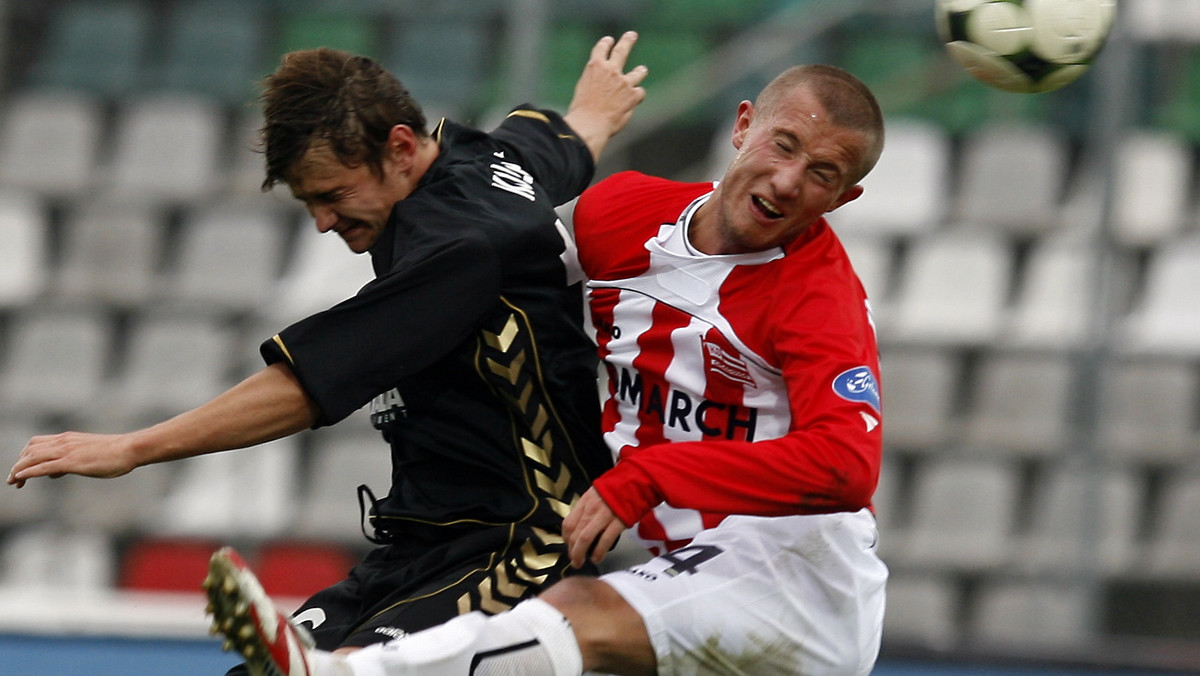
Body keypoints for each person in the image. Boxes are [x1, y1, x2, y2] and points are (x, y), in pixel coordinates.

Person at [202, 62, 889, 676]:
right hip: (677, 570)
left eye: (823, 174)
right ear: (744, 127)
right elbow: (502, 253)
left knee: (576, 612)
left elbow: (847, 466)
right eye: (784, 145)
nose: (789, 180)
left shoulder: (818, 300)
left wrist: (649, 476)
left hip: (794, 580)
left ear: (843, 200)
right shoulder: (625, 215)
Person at [7, 33, 649, 670]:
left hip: (524, 542)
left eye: (332, 196)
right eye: (308, 202)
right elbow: (557, 144)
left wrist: (131, 448)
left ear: (399, 147)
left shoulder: (460, 246)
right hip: (419, 546)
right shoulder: (484, 160)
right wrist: (594, 109)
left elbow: (305, 385)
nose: (321, 222)